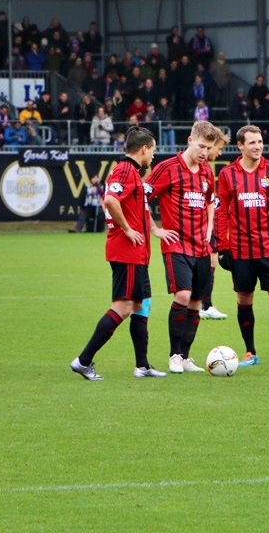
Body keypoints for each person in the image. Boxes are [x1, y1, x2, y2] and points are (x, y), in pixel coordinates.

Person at [70, 126, 176, 381]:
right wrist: (127, 229)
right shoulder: (125, 170)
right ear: (143, 149)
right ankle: (83, 361)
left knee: (141, 305)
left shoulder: (132, 173)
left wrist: (154, 229)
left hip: (138, 254)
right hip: (126, 252)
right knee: (124, 306)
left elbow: (138, 207)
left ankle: (142, 365)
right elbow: (110, 200)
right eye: (152, 150)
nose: (153, 155)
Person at [215, 125, 269, 367]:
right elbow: (221, 212)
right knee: (244, 300)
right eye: (252, 142)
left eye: (260, 141)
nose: (257, 146)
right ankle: (250, 353)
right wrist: (222, 247)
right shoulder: (227, 175)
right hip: (240, 251)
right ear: (241, 146)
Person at [145, 120, 222, 374]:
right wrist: (155, 229)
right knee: (183, 296)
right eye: (201, 146)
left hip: (201, 246)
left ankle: (187, 357)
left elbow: (210, 201)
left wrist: (210, 230)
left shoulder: (207, 172)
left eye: (209, 148)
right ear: (190, 140)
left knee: (196, 302)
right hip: (176, 244)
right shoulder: (167, 168)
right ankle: (174, 356)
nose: (204, 152)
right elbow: (140, 196)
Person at [199, 130, 231, 321]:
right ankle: (200, 305)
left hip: (207, 225)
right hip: (198, 226)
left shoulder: (207, 171)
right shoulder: (196, 167)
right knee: (205, 263)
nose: (219, 153)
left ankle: (206, 305)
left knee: (211, 262)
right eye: (218, 149)